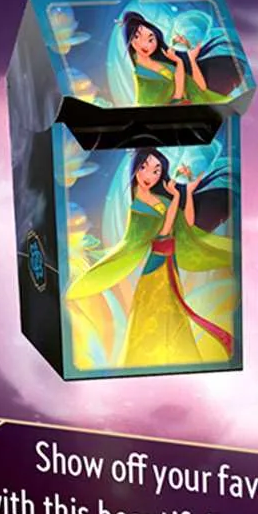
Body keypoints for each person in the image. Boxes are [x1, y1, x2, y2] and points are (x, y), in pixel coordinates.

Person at [64, 147, 232, 367]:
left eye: (156, 170)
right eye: (144, 167)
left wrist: (188, 194)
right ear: (136, 168)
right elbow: (163, 231)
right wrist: (176, 198)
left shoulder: (159, 199)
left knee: (173, 314)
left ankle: (175, 358)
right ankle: (146, 360)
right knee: (154, 312)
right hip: (157, 265)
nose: (148, 175)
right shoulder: (139, 205)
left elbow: (188, 223)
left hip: (169, 263)